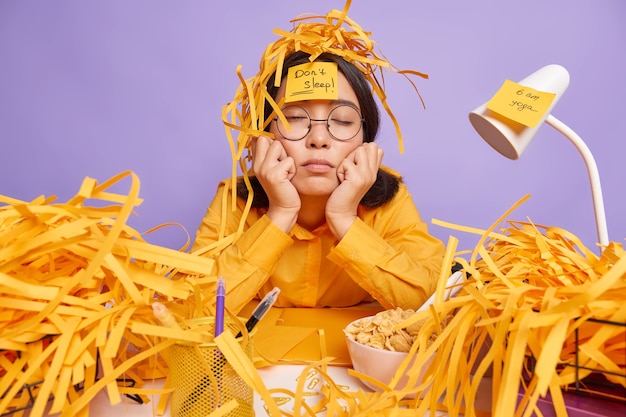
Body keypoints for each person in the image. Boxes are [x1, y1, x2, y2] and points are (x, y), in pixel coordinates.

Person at [192, 5, 447, 315]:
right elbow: (194, 308)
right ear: (263, 135)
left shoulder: (390, 203)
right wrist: (280, 215)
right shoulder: (234, 201)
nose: (319, 138)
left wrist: (345, 220)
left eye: (341, 121)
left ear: (365, 140)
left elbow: (431, 304)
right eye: (295, 118)